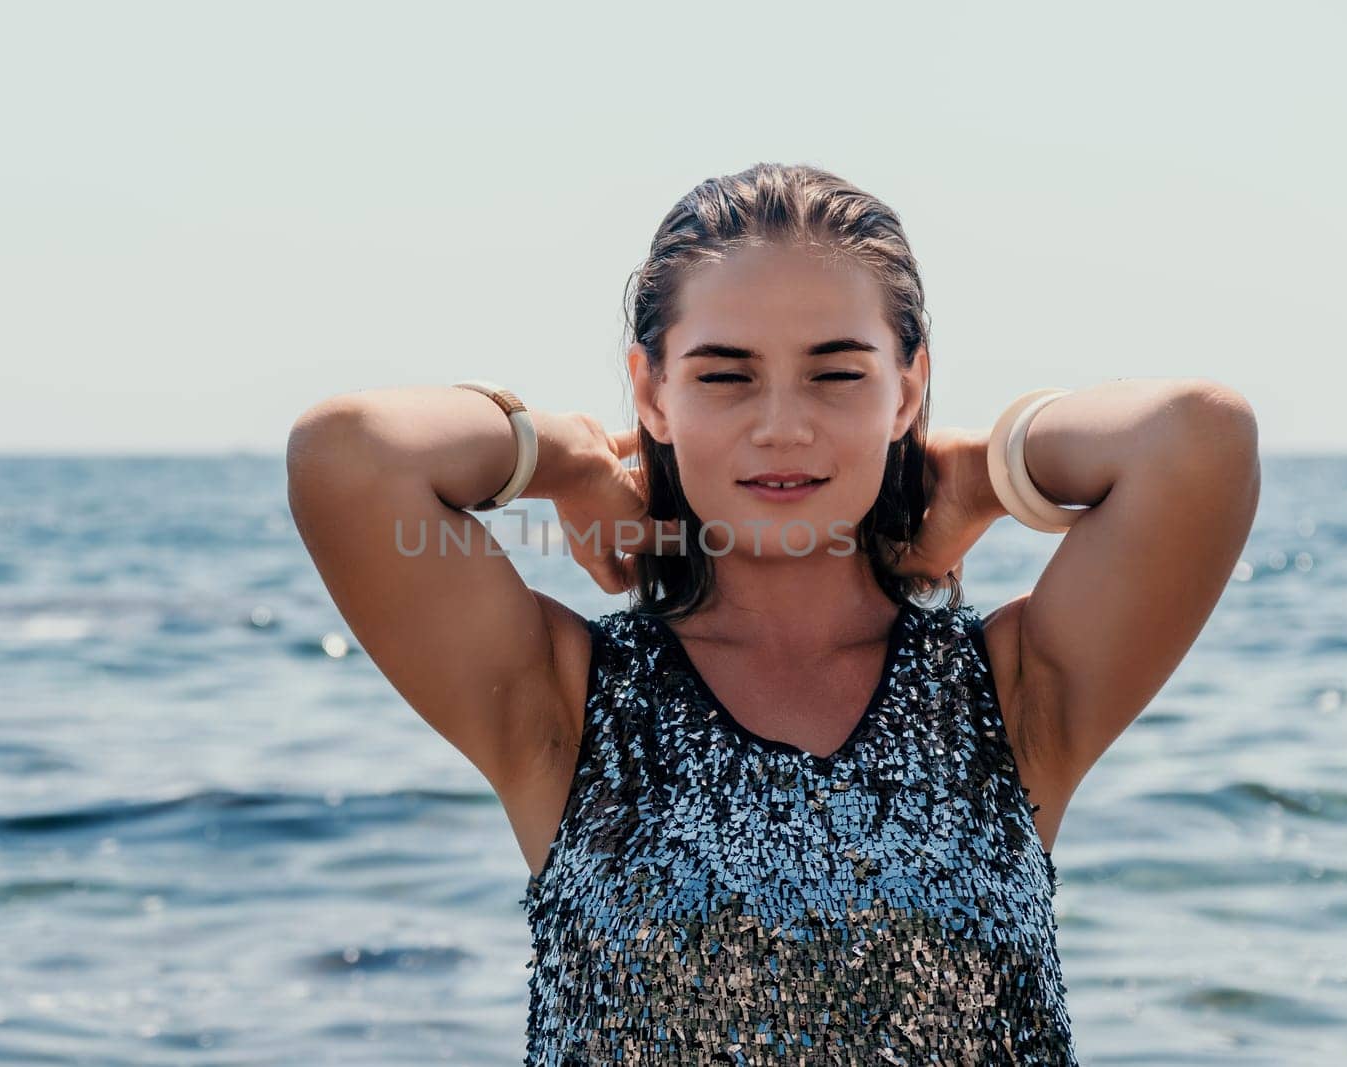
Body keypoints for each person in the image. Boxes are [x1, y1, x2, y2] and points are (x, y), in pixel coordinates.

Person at [284, 162, 1261, 1065]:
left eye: (837, 372)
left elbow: (1196, 438)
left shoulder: (1008, 695)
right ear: (651, 390)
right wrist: (567, 460)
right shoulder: (566, 703)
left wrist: (982, 471)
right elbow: (354, 455)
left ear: (906, 385)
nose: (782, 424)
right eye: (724, 373)